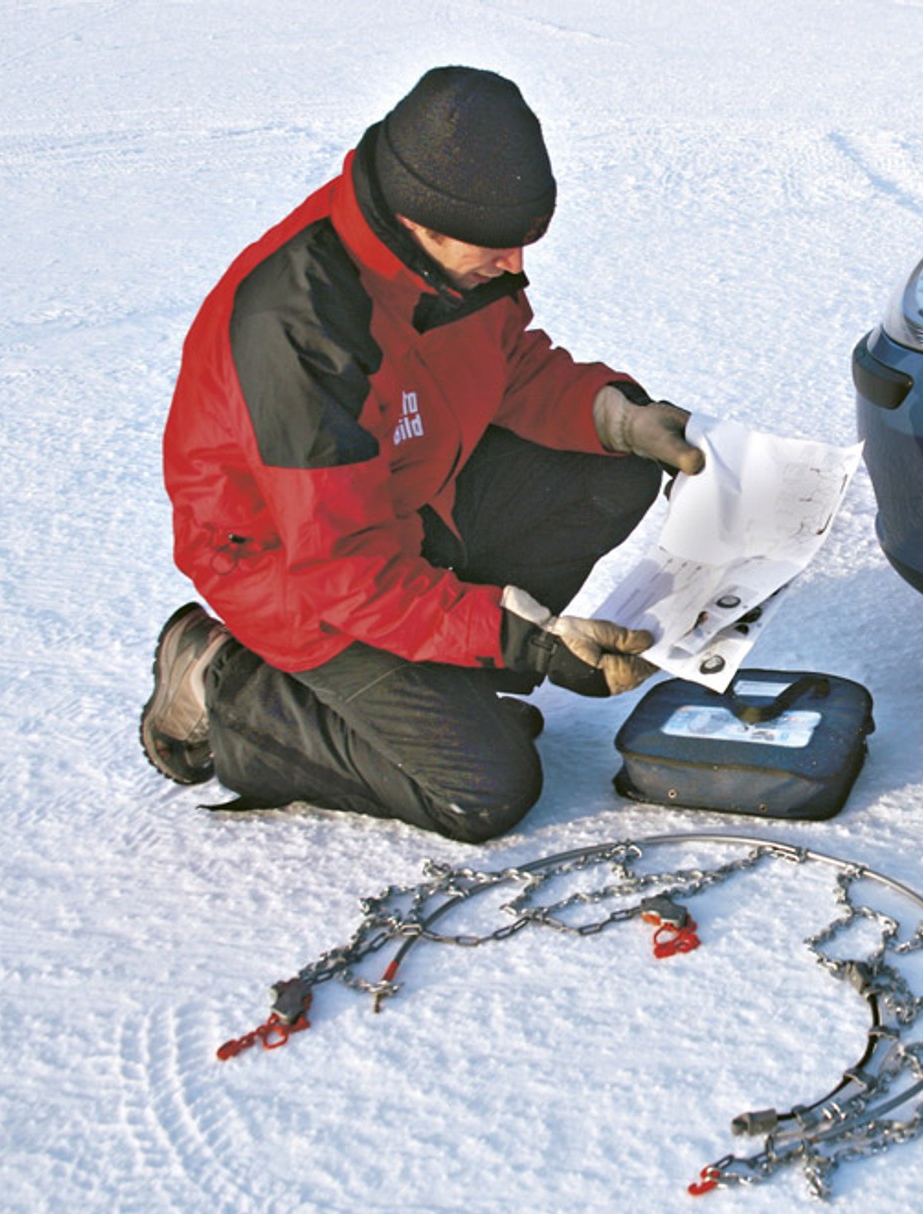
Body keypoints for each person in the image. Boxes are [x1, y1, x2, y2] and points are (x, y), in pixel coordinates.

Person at [139, 67, 704, 843]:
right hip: (294, 574)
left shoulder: (446, 258)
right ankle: (223, 682)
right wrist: (522, 637)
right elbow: (344, 569)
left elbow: (508, 364)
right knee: (482, 789)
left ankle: (444, 682)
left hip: (409, 501)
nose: (516, 266)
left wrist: (616, 417)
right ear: (423, 222)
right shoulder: (301, 331)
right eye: (500, 247)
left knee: (610, 469)